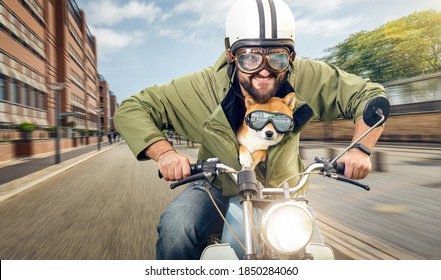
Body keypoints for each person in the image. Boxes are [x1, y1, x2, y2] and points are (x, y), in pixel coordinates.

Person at [114, 0, 386, 260]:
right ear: (231, 54)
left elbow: (369, 95)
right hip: (219, 186)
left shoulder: (307, 76)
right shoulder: (201, 87)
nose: (265, 71)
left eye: (277, 58)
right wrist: (165, 154)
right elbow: (132, 108)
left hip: (285, 191)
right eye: (250, 58)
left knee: (315, 251)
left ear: (291, 55)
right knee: (176, 229)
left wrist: (360, 149)